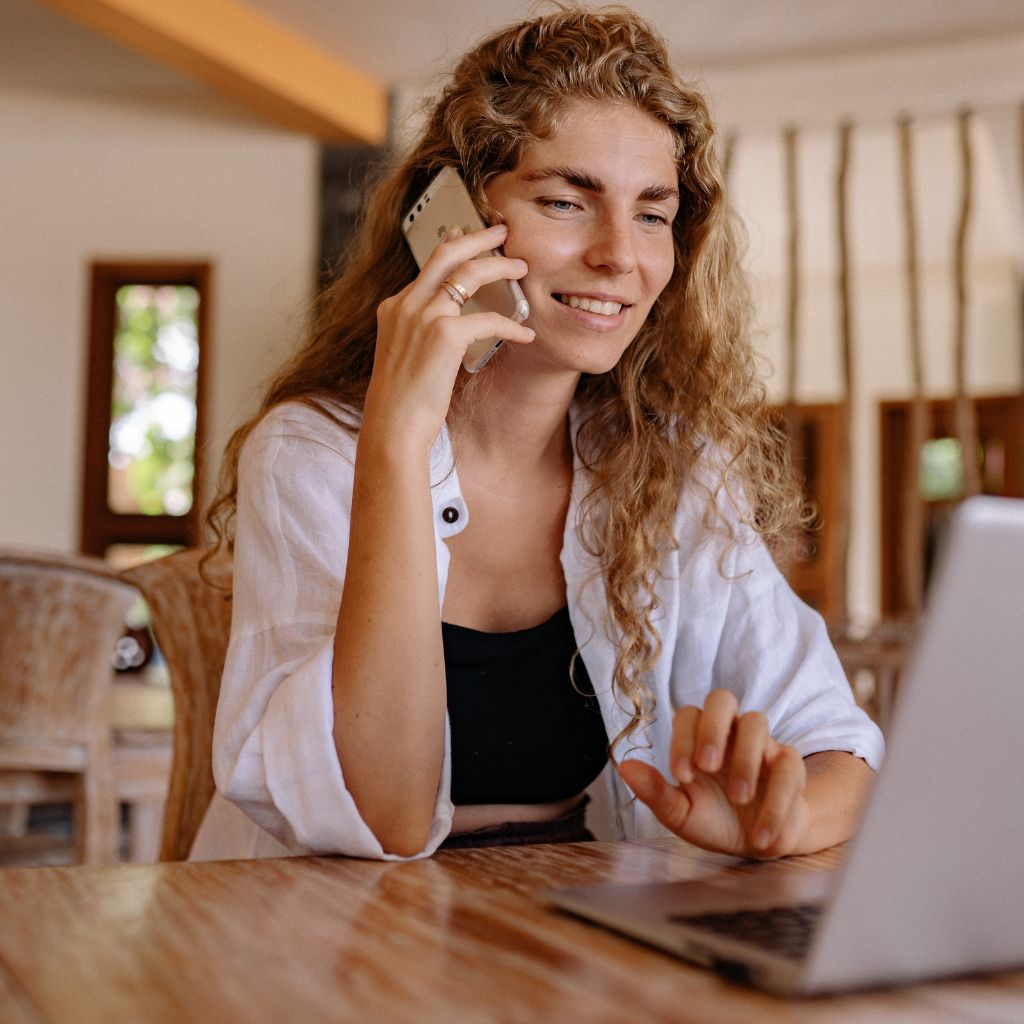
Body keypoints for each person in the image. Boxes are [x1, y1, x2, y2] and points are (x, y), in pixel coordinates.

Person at [190, 6, 883, 862]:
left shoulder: (671, 465)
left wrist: (785, 820)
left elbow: (840, 745)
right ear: (449, 221)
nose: (618, 256)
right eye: (565, 200)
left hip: (564, 916)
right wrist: (399, 443)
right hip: (324, 931)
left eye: (652, 215)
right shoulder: (312, 453)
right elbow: (390, 818)